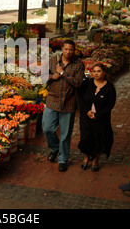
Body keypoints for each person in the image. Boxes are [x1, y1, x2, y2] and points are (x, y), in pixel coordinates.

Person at [43, 39, 85, 172]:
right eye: (66, 49)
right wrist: (52, 76)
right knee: (47, 128)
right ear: (62, 48)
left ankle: (63, 159)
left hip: (69, 102)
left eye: (71, 50)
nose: (68, 52)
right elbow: (44, 76)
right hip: (52, 100)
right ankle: (55, 148)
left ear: (74, 50)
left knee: (66, 134)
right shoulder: (53, 60)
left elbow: (78, 82)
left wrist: (62, 73)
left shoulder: (78, 64)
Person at [78, 63, 116, 172]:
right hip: (86, 117)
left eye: (98, 71)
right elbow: (80, 99)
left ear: (104, 72)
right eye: (94, 71)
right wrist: (87, 112)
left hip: (101, 118)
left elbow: (110, 104)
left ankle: (95, 160)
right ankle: (86, 158)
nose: (96, 73)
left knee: (98, 139)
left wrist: (98, 115)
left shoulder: (109, 87)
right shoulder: (87, 84)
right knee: (85, 138)